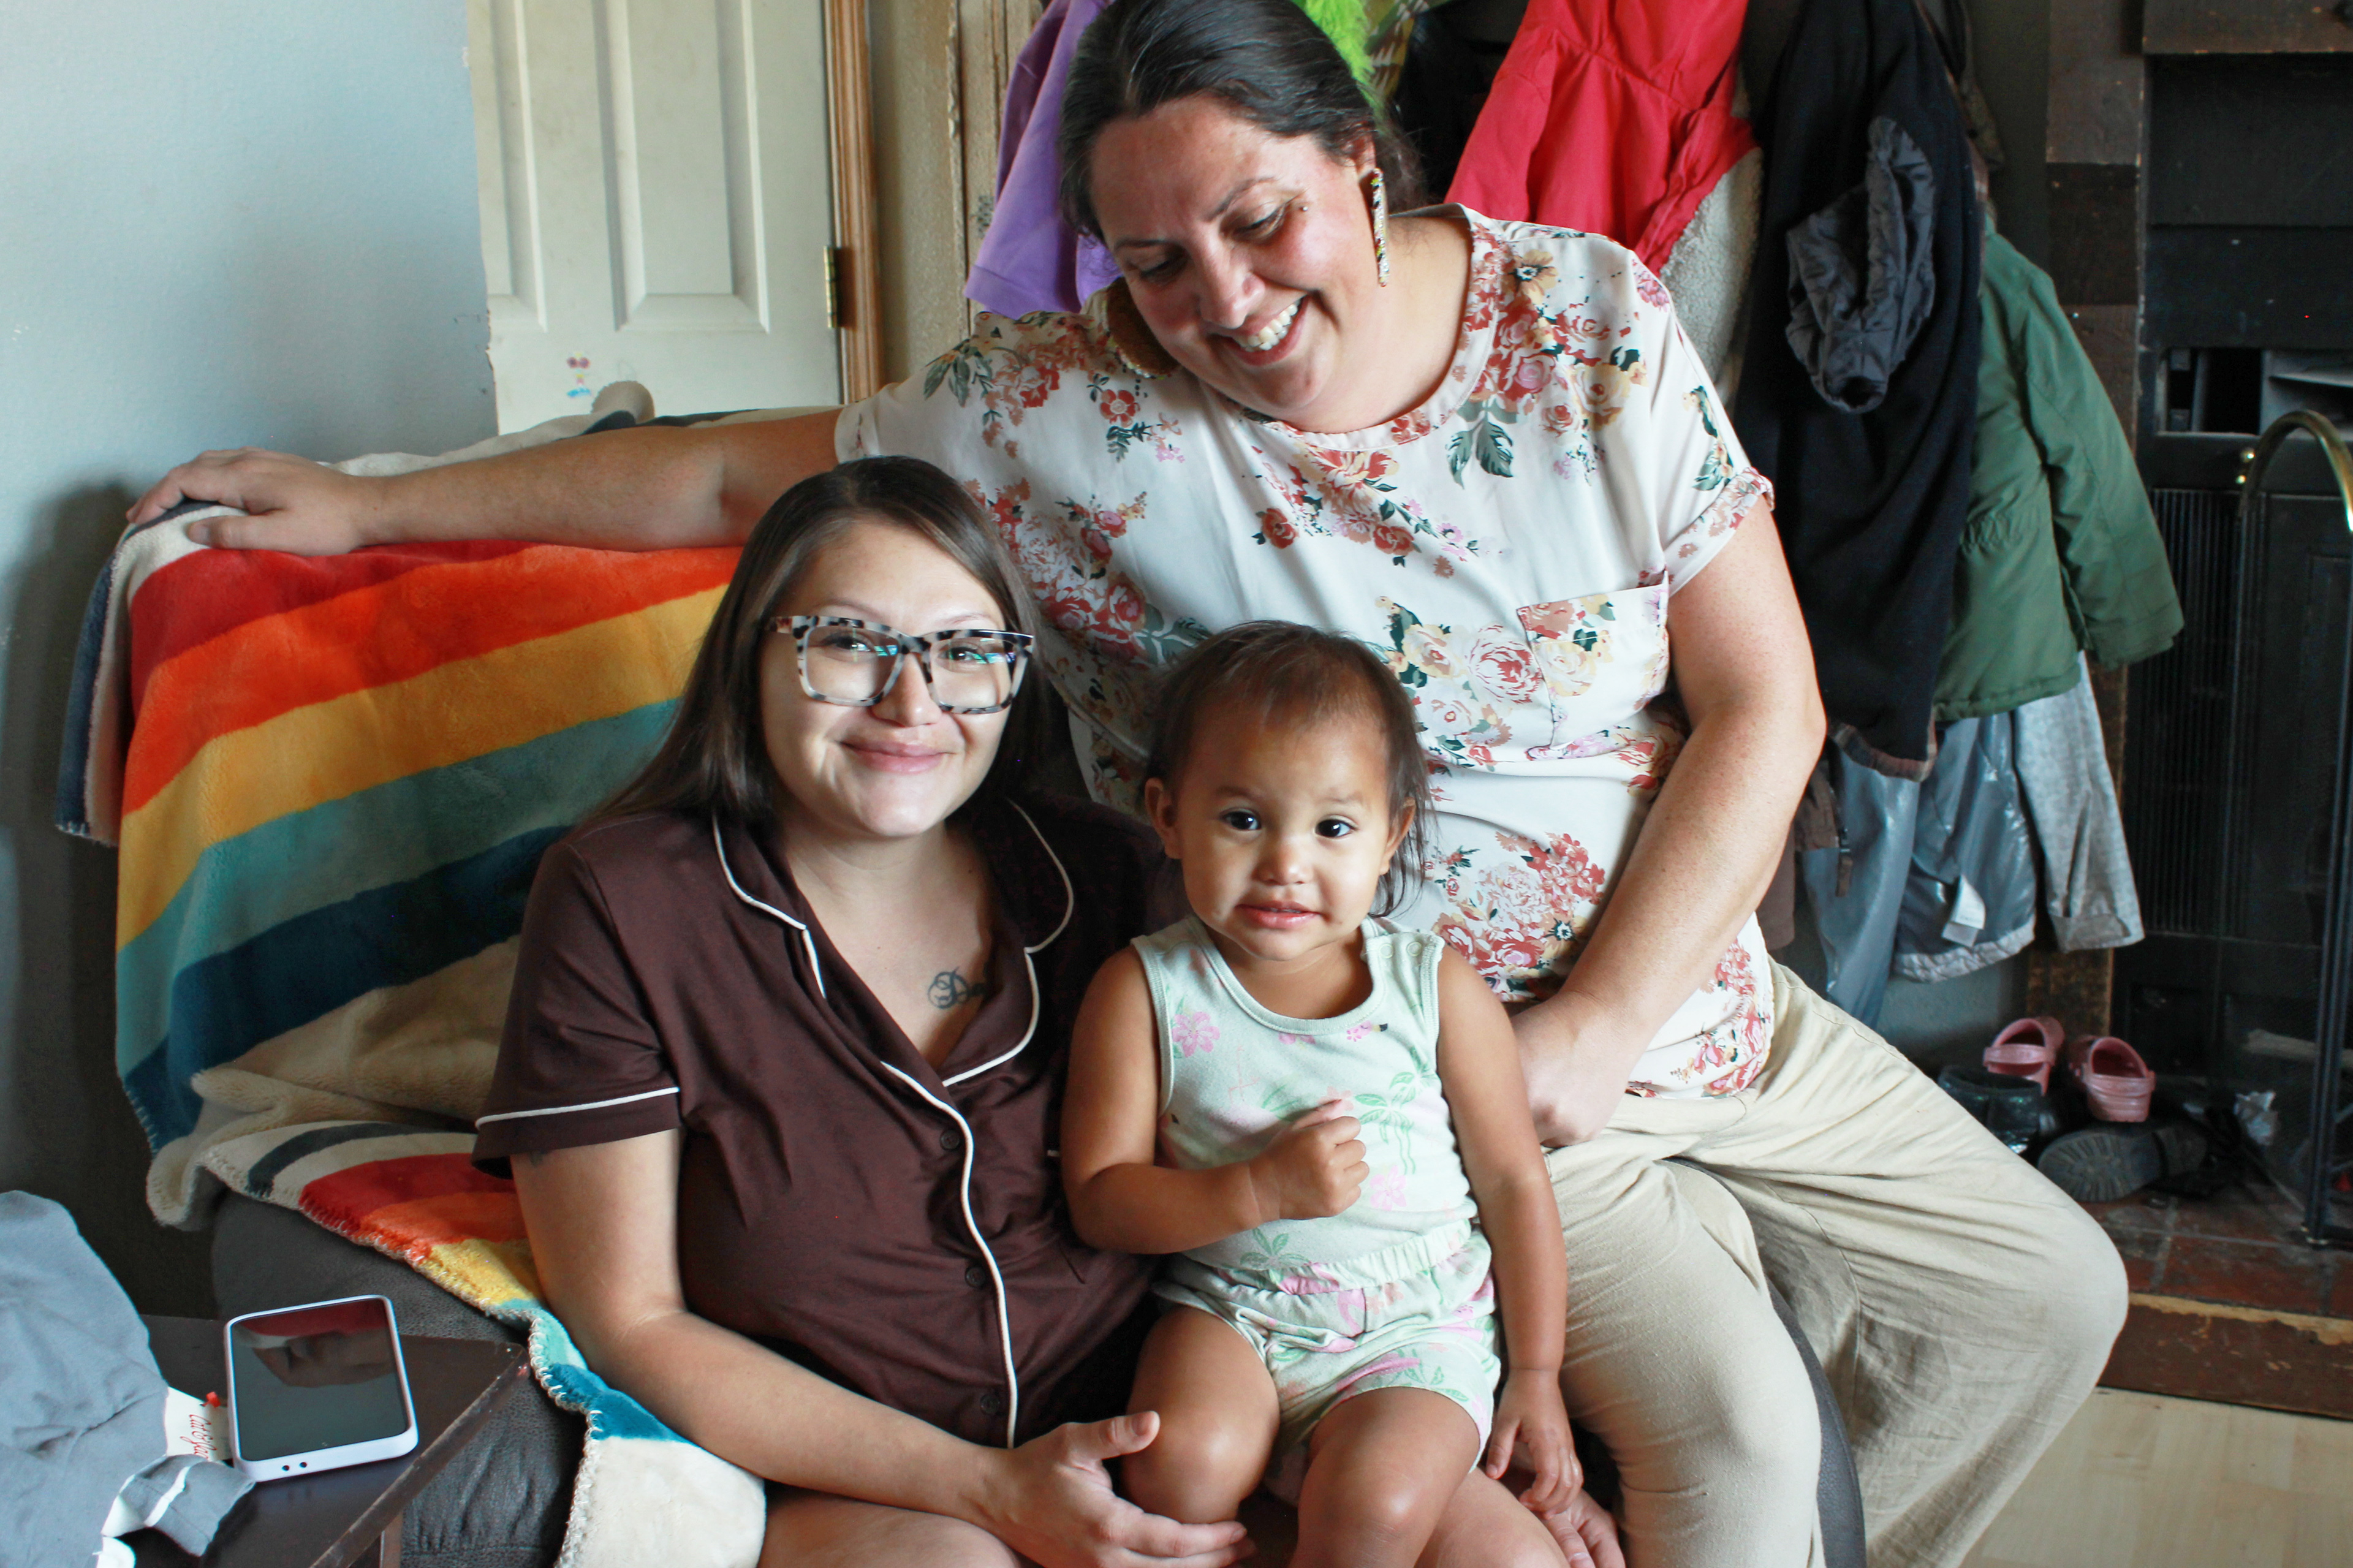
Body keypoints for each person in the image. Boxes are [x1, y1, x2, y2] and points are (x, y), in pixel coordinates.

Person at [133, 2, 2128, 1562]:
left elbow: (1767, 703)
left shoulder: (1588, 324)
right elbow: (750, 476)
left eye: (1262, 224)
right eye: (1161, 259)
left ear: (1361, 166)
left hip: (1688, 1006)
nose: (1227, 304)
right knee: (1745, 1459)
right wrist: (373, 502)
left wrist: (1614, 1019)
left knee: (2049, 1291)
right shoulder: (1074, 409)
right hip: (1430, 1062)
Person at [469, 455, 1593, 1568]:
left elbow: (1375, 1107)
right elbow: (630, 1321)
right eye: (849, 643)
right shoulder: (627, 901)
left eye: (965, 652)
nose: (912, 703)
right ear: (752, 653)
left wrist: (1519, 1410)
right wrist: (993, 1492)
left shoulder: (1108, 875)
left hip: (1172, 1415)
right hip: (885, 1474)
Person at [1063, 623, 1581, 1567]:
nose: (1286, 865)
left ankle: (1381, 1486)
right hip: (1232, 1308)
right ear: (1168, 817)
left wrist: (1538, 1374)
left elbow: (1513, 1182)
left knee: (1375, 1505)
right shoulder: (1143, 990)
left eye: (1332, 828)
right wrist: (1255, 1193)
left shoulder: (1433, 988)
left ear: (1391, 838)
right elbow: (1101, 1198)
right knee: (1176, 1467)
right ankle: (1317, 1489)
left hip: (1414, 1327)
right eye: (1243, 820)